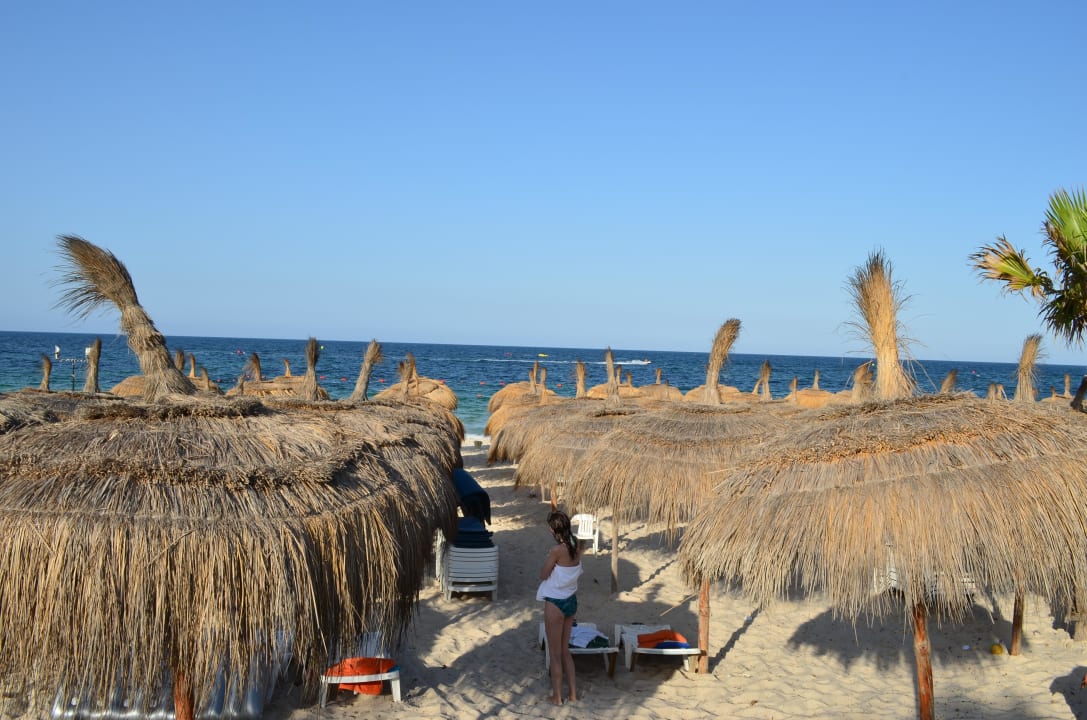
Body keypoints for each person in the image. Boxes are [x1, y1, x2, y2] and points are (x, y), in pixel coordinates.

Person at [536, 510, 583, 705]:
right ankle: (572, 694)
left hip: (555, 602)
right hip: (571, 601)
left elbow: (544, 574)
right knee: (565, 652)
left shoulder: (557, 551)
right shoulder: (578, 545)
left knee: (554, 654)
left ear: (553, 530)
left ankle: (557, 697)